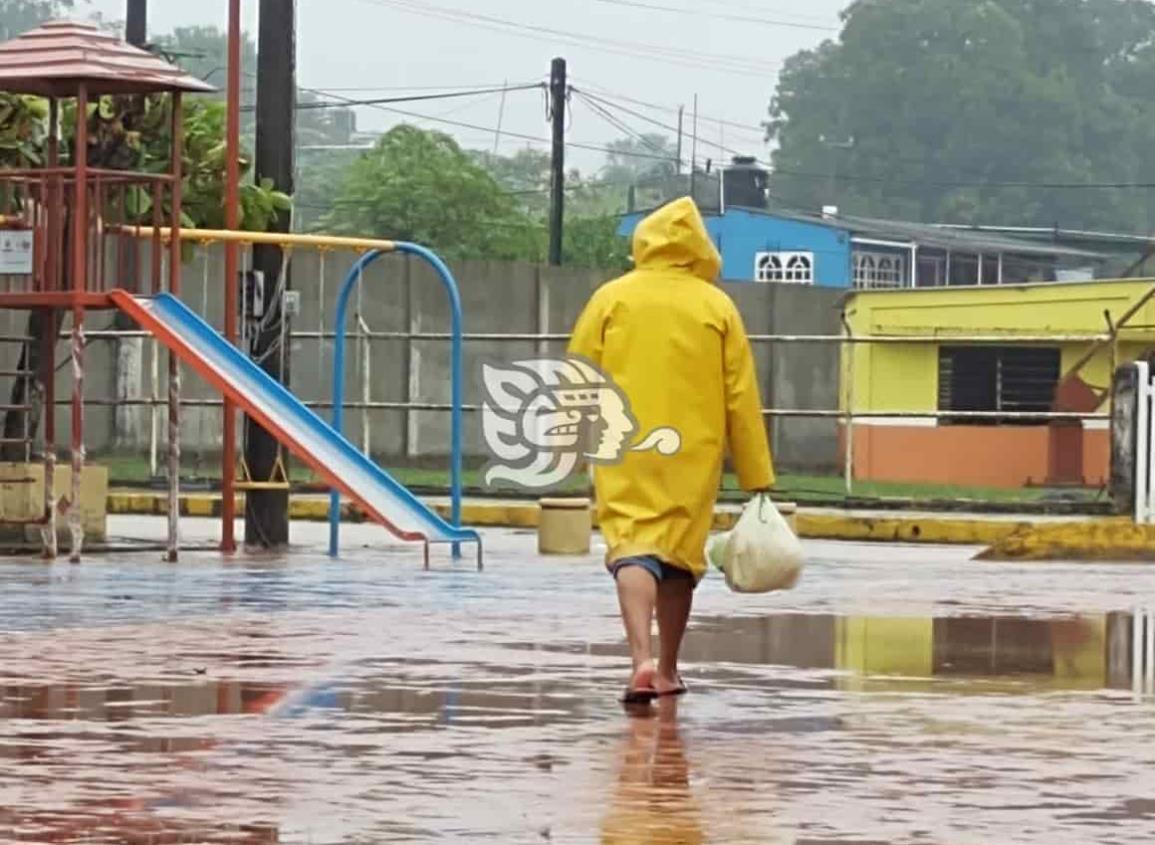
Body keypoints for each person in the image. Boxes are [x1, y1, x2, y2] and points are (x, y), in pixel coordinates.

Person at [567, 195, 775, 704]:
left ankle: (638, 658)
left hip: (625, 442)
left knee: (633, 544)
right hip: (692, 449)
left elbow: (580, 372)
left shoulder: (611, 298)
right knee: (679, 556)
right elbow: (740, 393)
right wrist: (756, 474)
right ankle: (667, 668)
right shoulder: (716, 305)